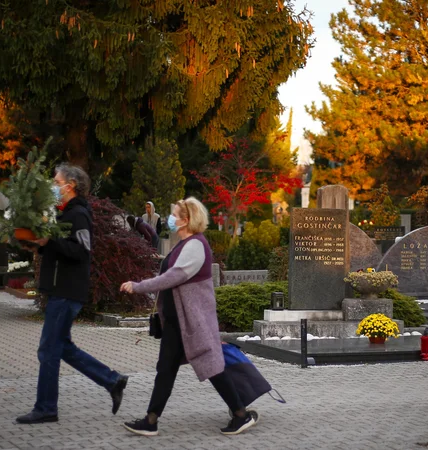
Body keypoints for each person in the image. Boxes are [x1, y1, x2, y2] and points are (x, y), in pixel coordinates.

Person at [119, 197, 258, 436]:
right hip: (177, 323)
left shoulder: (195, 245)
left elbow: (171, 278)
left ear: (186, 220)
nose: (171, 218)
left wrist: (138, 286)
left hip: (193, 323)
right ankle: (150, 421)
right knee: (166, 369)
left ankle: (241, 414)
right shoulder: (183, 244)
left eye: (174, 215)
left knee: (213, 368)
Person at [16, 163, 128, 424]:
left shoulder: (78, 215)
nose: (53, 186)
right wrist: (38, 246)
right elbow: (60, 248)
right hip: (60, 289)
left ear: (71, 185)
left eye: (57, 182)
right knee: (62, 347)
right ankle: (112, 381)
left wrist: (49, 241)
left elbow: (81, 251)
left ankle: (46, 408)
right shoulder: (63, 213)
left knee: (48, 350)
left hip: (66, 292)